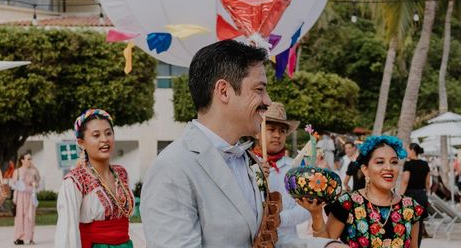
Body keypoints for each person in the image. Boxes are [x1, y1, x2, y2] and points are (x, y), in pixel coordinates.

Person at [141, 40, 345, 248]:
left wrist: (326, 246)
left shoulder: (249, 162)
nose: (267, 100)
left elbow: (267, 240)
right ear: (224, 91)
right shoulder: (173, 168)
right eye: (259, 90)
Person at [300, 135, 424, 248]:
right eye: (380, 162)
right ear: (365, 170)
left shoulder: (410, 207)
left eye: (394, 162)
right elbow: (325, 243)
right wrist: (316, 214)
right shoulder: (347, 203)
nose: (389, 168)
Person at [54, 108, 135, 248]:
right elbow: (67, 230)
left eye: (108, 133)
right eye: (96, 135)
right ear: (81, 143)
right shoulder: (76, 180)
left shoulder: (121, 174)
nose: (104, 139)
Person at [251, 101, 311, 243]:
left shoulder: (295, 169)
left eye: (282, 131)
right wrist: (254, 177)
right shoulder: (246, 164)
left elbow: (306, 210)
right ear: (257, 133)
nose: (277, 135)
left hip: (287, 242)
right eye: (271, 129)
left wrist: (279, 219)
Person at [400, 143, 431, 245]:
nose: (406, 152)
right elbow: (427, 182)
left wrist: (400, 195)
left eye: (408, 150)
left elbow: (405, 181)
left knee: (407, 222)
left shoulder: (408, 164)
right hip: (422, 195)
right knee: (419, 224)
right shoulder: (425, 164)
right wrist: (427, 195)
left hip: (410, 195)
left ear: (412, 150)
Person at [12, 152, 41, 245]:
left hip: (30, 196)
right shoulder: (18, 171)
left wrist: (34, 185)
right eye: (28, 159)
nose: (30, 161)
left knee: (30, 216)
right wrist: (26, 187)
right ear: (22, 160)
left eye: (30, 158)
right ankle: (19, 237)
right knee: (20, 216)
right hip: (21, 196)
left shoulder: (33, 171)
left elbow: (38, 181)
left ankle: (30, 237)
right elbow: (15, 184)